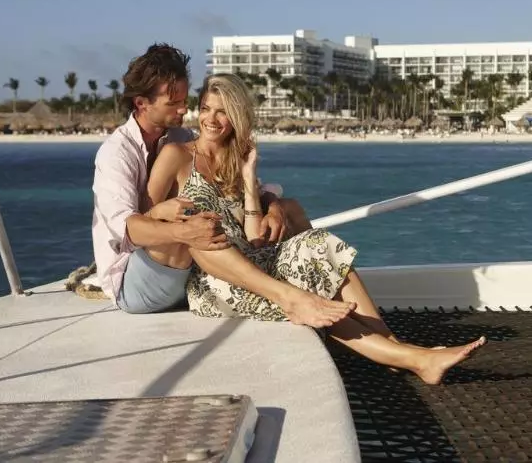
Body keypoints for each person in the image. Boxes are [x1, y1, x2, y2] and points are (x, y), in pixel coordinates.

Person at [146, 73, 486, 384]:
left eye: (222, 112)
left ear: (237, 116)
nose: (211, 119)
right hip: (216, 280)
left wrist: (249, 178)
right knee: (308, 290)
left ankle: (396, 349)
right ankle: (411, 357)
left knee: (319, 242)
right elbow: (147, 218)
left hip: (252, 260)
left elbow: (253, 236)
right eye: (206, 109)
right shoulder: (177, 155)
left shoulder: (237, 158)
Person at [92, 44, 353, 328]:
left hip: (188, 272)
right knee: (196, 223)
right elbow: (128, 229)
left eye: (186, 100)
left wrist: (273, 204)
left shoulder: (179, 136)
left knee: (286, 210)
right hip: (136, 281)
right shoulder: (116, 153)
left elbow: (236, 189)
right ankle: (286, 297)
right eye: (173, 102)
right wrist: (184, 230)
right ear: (142, 103)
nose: (184, 109)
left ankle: (341, 309)